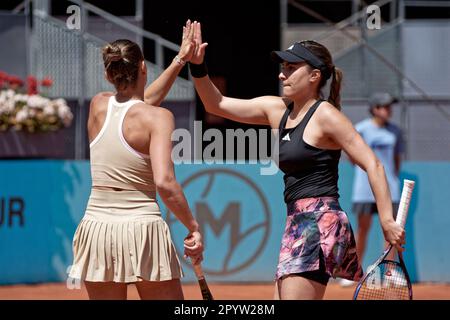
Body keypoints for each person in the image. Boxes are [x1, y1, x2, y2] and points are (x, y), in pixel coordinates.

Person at [187, 21, 405, 300]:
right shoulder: (275, 109)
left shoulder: (326, 115)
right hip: (296, 222)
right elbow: (215, 104)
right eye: (283, 68)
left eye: (291, 68)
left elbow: (373, 164)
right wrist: (197, 66)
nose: (282, 75)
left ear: (314, 76)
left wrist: (386, 219)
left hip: (319, 223)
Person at [68, 21, 203, 300]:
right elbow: (165, 183)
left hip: (97, 227)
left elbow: (139, 103)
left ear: (108, 74)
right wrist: (193, 226)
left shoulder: (98, 105)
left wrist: (180, 60)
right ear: (144, 67)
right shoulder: (159, 118)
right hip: (143, 228)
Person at [340, 93, 404, 287]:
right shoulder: (361, 129)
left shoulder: (396, 132)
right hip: (364, 190)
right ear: (375, 108)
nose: (388, 110)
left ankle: (391, 272)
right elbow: (352, 154)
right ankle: (353, 270)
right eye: (384, 106)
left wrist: (389, 179)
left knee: (390, 231)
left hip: (390, 189)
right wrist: (364, 175)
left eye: (389, 107)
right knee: (363, 229)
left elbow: (396, 161)